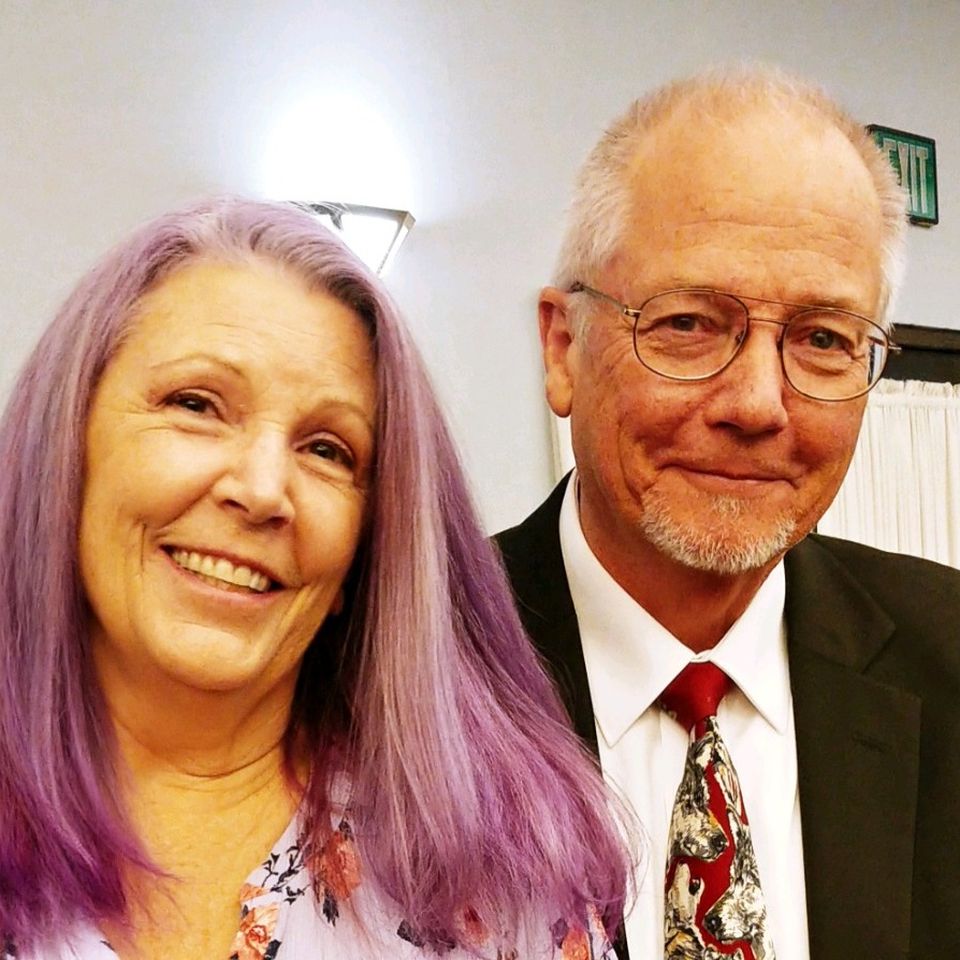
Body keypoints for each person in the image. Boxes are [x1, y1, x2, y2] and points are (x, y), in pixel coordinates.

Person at [0, 197, 631, 959]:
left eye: (328, 449)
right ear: (68, 443)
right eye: (196, 404)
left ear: (371, 543)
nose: (263, 490)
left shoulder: (500, 886)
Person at [496, 64, 960, 960]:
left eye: (823, 339)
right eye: (688, 324)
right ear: (562, 348)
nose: (757, 404)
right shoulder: (400, 665)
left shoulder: (948, 656)